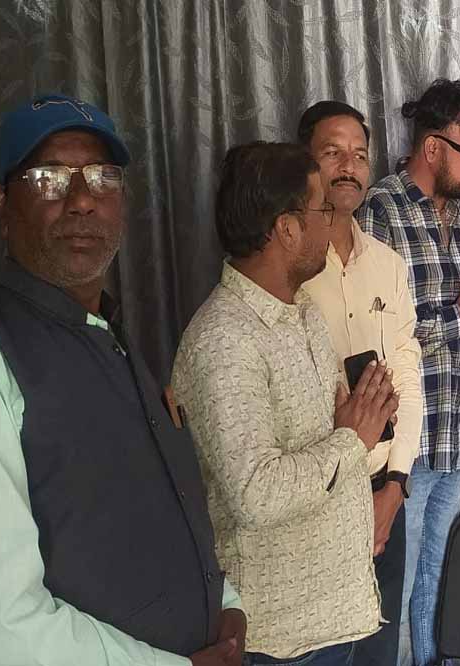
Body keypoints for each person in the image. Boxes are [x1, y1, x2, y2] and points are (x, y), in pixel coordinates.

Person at [0, 93, 245, 666]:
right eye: (50, 178)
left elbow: (147, 504)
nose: (82, 199)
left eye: (103, 177)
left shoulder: (111, 334)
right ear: (1, 204)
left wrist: (226, 603)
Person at [172, 141, 399, 666]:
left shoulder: (303, 313)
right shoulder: (224, 339)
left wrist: (362, 420)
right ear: (288, 229)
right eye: (323, 209)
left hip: (333, 616)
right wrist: (352, 439)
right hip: (281, 639)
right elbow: (256, 493)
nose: (333, 221)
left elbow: (336, 437)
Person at [359, 79, 460, 666]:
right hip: (407, 445)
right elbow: (375, 341)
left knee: (433, 582)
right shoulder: (381, 211)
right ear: (432, 147)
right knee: (395, 590)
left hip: (455, 437)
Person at [298, 101, 424, 666]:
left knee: (378, 653)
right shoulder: (284, 265)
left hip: (382, 496)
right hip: (314, 499)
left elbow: (409, 380)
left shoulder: (387, 264)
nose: (348, 166)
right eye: (332, 153)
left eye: (359, 155)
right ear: (303, 162)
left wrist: (395, 487)